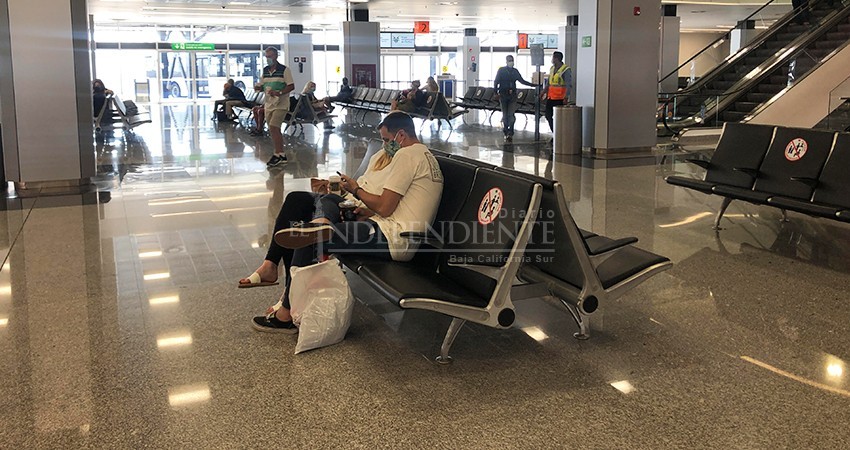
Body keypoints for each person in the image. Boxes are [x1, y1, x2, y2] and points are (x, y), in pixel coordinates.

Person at [246, 112, 444, 333]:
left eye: (388, 140)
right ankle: (288, 267)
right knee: (313, 210)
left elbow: (386, 207)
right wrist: (366, 210)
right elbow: (400, 206)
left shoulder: (408, 156)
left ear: (401, 134)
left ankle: (286, 313)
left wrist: (355, 190)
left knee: (311, 238)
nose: (386, 145)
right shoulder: (423, 155)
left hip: (394, 238)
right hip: (387, 229)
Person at [255, 47, 295, 168]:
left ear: (276, 56)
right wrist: (259, 88)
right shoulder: (266, 70)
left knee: (274, 126)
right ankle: (279, 153)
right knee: (273, 130)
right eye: (266, 57)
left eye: (270, 56)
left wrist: (280, 92)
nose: (268, 59)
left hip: (281, 104)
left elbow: (291, 86)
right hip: (269, 104)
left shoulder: (284, 70)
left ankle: (280, 154)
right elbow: (262, 85)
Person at [494, 55, 536, 142]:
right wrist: (495, 92)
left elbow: (522, 81)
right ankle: (505, 130)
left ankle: (511, 132)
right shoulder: (501, 70)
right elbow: (496, 81)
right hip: (503, 95)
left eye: (512, 60)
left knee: (511, 114)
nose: (511, 62)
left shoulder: (515, 71)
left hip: (512, 95)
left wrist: (533, 85)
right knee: (505, 115)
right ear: (506, 61)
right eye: (509, 60)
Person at [542, 51, 571, 137]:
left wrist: (566, 97)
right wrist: (544, 91)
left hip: (560, 98)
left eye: (553, 58)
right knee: (548, 116)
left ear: (556, 59)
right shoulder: (552, 69)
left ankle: (559, 135)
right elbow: (549, 83)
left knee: (559, 119)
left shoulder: (565, 70)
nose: (552, 59)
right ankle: (555, 133)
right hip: (551, 97)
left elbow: (568, 85)